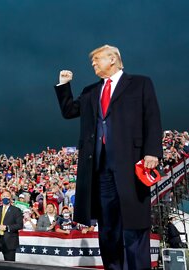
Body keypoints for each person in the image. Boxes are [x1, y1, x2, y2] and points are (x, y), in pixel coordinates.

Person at [55, 44, 162, 269]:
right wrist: (64, 85)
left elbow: (151, 118)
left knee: (134, 225)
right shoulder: (90, 91)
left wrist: (152, 151)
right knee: (108, 228)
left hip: (131, 166)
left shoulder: (141, 83)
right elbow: (69, 112)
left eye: (97, 59)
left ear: (112, 59)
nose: (93, 64)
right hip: (100, 170)